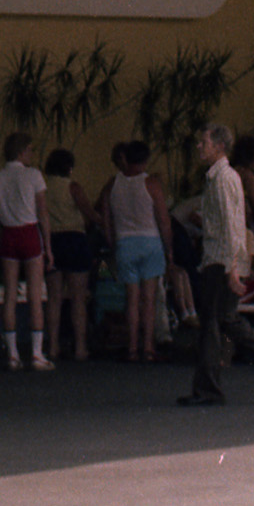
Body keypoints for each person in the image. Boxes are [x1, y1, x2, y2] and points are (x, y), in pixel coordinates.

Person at [178, 123, 254, 407]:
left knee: (216, 322)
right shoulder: (222, 177)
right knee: (221, 321)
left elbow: (234, 225)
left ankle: (212, 386)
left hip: (221, 260)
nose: (199, 146)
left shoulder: (223, 179)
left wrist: (232, 268)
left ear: (219, 146)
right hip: (219, 258)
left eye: (204, 142)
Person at [103, 140, 173, 363]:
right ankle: (148, 348)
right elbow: (163, 220)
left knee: (131, 299)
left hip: (125, 243)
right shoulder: (151, 183)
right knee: (149, 299)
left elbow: (106, 219)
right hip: (150, 243)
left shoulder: (112, 184)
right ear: (145, 159)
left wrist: (113, 243)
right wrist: (169, 249)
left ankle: (132, 348)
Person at [0, 133, 53, 371]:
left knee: (10, 296)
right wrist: (47, 246)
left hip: (8, 235)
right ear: (22, 151)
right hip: (29, 233)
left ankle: (13, 354)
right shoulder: (34, 176)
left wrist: (0, 241)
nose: (32, 154)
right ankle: (36, 354)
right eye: (30, 150)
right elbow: (43, 214)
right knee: (35, 295)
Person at [42, 149, 96, 360]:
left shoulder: (43, 188)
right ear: (69, 167)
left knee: (54, 298)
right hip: (74, 240)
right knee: (78, 298)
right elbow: (89, 213)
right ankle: (80, 347)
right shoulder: (73, 187)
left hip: (52, 241)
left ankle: (53, 346)